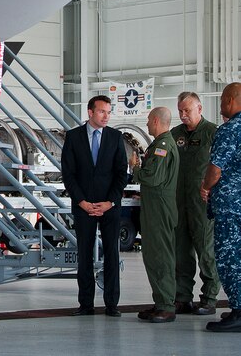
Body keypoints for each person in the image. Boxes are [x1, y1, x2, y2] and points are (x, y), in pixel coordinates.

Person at [200, 82, 241, 332]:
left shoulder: (229, 130)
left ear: (229, 100)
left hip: (231, 207)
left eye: (222, 100)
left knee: (230, 258)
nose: (221, 105)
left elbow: (215, 169)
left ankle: (239, 312)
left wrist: (206, 186)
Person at [61, 95, 128, 317]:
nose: (106, 116)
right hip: (84, 206)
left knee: (111, 255)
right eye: (102, 111)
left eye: (108, 112)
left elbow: (121, 173)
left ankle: (112, 304)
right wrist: (82, 202)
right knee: (84, 256)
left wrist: (110, 202)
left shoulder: (116, 137)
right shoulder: (73, 137)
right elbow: (68, 174)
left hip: (109, 206)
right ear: (90, 112)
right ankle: (86, 304)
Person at [170, 92, 220, 315]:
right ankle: (183, 297)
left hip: (202, 203)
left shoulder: (212, 133)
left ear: (199, 109)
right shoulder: (175, 134)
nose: (183, 115)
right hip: (179, 202)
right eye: (180, 110)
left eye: (187, 110)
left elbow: (221, 167)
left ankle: (209, 298)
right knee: (181, 252)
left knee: (206, 251)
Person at [130, 107, 180, 323]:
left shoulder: (163, 145)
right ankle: (161, 301)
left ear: (157, 121)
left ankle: (167, 305)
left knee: (161, 257)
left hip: (160, 210)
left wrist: (135, 169)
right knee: (153, 256)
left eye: (149, 120)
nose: (147, 123)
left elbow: (153, 177)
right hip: (154, 208)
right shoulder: (159, 144)